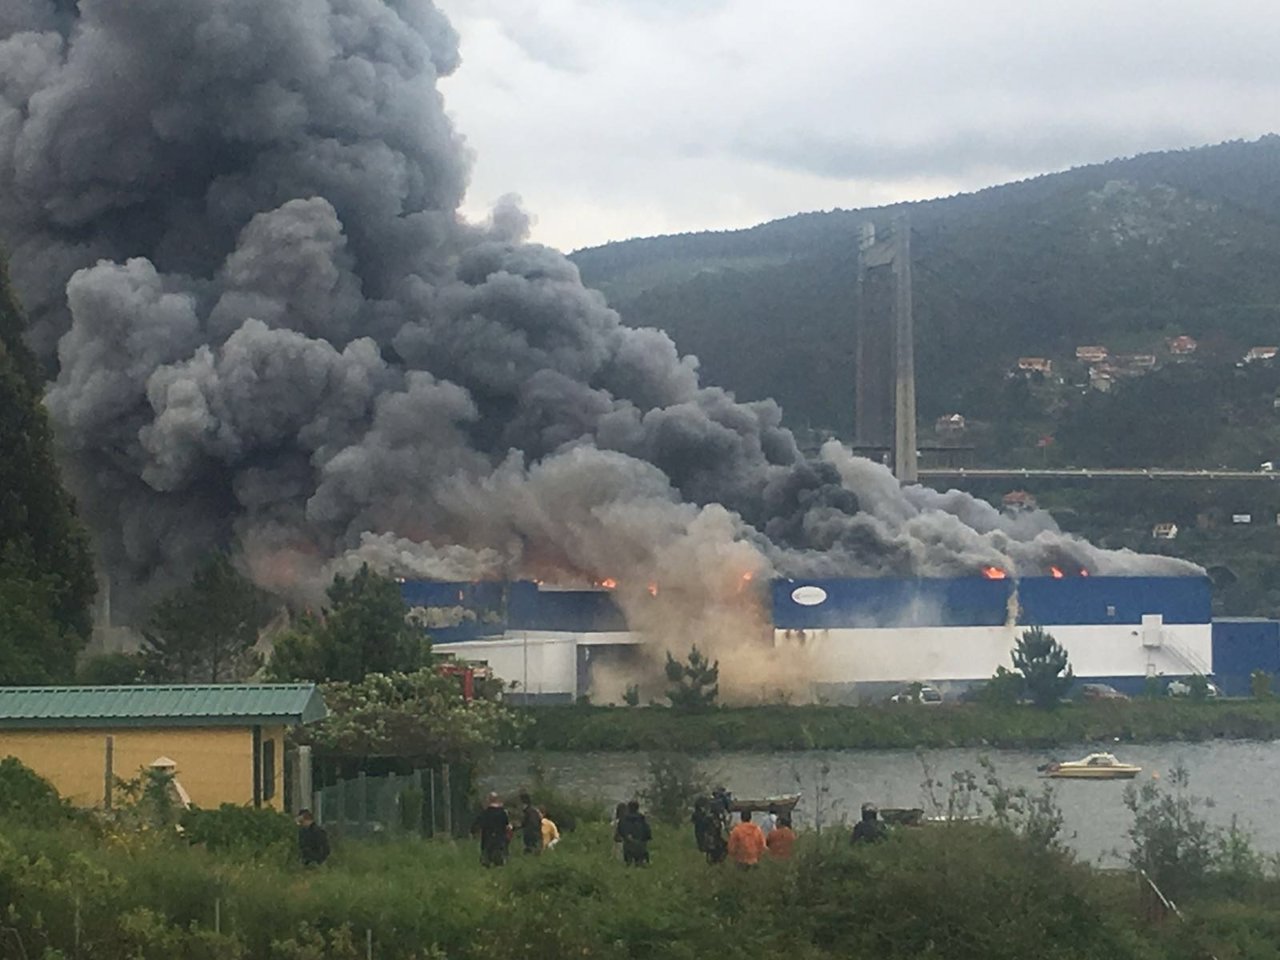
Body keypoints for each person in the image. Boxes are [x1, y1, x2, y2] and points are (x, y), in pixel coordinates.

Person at [472, 792, 511, 867]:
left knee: (486, 859)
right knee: (499, 859)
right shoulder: (502, 813)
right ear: (497, 800)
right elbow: (507, 825)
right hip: (500, 838)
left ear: (489, 800)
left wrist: (473, 832)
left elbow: (478, 824)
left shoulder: (485, 813)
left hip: (487, 838)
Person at [615, 799, 653, 866]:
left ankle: (629, 863)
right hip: (641, 848)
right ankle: (640, 862)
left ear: (628, 808)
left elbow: (618, 836)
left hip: (628, 848)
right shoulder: (642, 819)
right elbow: (648, 834)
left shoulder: (623, 820)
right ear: (638, 808)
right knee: (640, 858)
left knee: (628, 857)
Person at [692, 797, 728, 864]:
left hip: (704, 841)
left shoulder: (699, 816)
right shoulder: (707, 819)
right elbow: (716, 832)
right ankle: (717, 861)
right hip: (708, 844)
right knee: (725, 847)